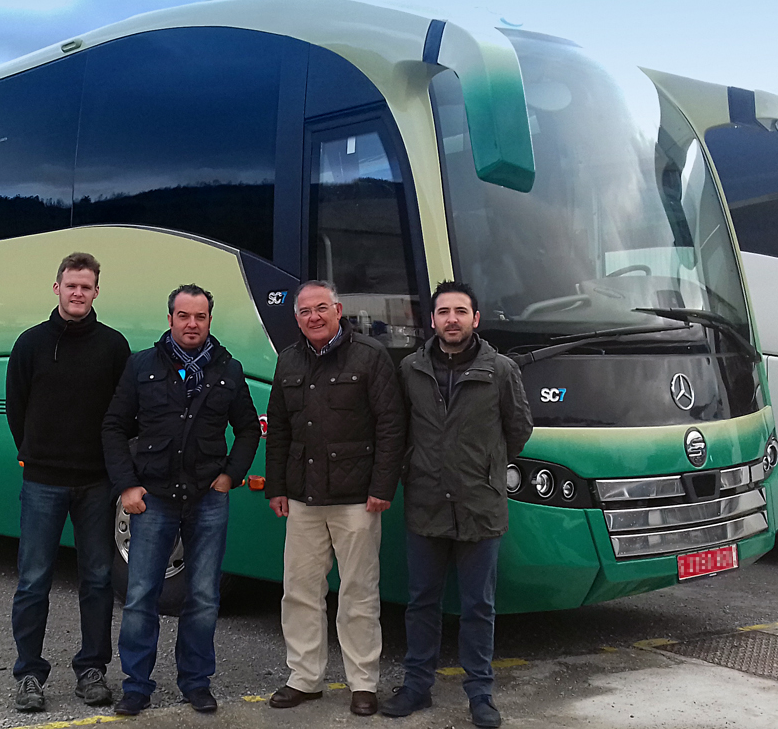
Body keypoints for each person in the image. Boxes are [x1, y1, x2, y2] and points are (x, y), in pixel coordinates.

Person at [101, 284, 262, 716]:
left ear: (210, 320)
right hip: (152, 499)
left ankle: (195, 682)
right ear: (170, 318)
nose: (192, 324)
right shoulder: (141, 366)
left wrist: (231, 475)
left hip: (208, 499)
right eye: (184, 316)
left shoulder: (228, 369)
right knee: (140, 598)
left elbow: (248, 428)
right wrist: (126, 486)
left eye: (201, 317)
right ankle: (136, 686)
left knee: (205, 597)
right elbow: (114, 427)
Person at [380, 280, 533, 727]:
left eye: (460, 311)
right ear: (432, 320)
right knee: (421, 602)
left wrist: (484, 465)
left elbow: (518, 430)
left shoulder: (501, 370)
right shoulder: (410, 369)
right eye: (444, 312)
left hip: (479, 506)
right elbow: (399, 430)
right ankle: (416, 686)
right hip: (425, 503)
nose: (452, 319)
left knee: (478, 606)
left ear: (475, 319)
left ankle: (480, 695)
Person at [263, 280, 406, 717]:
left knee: (358, 593)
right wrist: (276, 487)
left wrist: (382, 487)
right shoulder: (287, 360)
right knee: (300, 592)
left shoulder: (370, 356)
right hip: (303, 499)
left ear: (338, 310)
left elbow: (391, 425)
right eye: (305, 311)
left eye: (321, 308)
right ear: (297, 318)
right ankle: (304, 679)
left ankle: (363, 683)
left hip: (356, 500)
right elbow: (280, 431)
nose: (313, 317)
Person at [5, 252, 132, 713]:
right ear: (55, 288)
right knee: (34, 580)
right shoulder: (30, 344)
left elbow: (123, 415)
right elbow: (16, 409)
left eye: (87, 286)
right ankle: (29, 675)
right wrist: (35, 453)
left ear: (97, 292)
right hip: (43, 481)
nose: (78, 293)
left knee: (98, 579)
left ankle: (92, 670)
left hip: (97, 484)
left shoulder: (114, 346)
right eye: (71, 285)